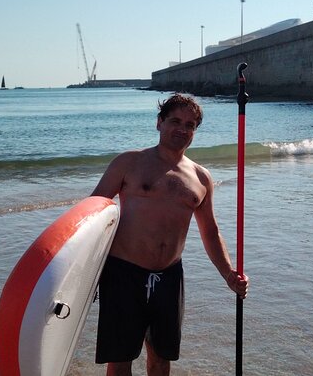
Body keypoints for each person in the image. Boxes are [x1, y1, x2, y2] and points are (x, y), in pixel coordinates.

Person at [91, 93, 249, 376]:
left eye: (190, 125)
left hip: (169, 276)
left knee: (162, 359)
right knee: (120, 360)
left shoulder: (201, 178)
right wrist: (83, 272)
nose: (182, 129)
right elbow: (92, 212)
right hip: (123, 274)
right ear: (159, 123)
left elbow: (210, 231)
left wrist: (229, 274)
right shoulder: (128, 163)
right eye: (175, 121)